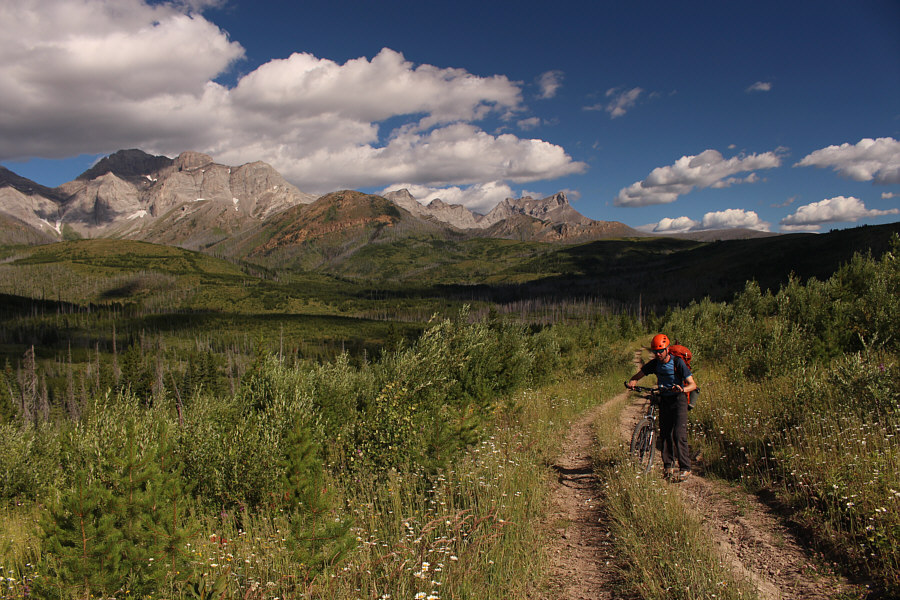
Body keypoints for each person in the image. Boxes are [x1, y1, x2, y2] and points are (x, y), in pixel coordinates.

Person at [626, 333, 697, 482]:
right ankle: (668, 466)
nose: (658, 354)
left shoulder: (677, 362)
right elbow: (639, 374)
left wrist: (682, 389)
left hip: (679, 400)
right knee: (665, 434)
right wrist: (633, 381)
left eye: (660, 351)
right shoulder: (655, 364)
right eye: (655, 351)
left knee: (678, 434)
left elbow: (692, 384)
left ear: (667, 349)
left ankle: (685, 468)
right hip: (664, 399)